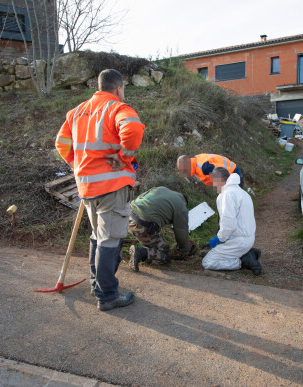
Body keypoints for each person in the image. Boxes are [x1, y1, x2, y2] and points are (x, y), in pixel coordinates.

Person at [55, 69, 145, 311]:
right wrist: (123, 156)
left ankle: (98, 286)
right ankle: (107, 295)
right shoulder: (117, 108)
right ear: (119, 88)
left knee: (98, 236)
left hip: (87, 187)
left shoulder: (76, 112)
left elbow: (61, 143)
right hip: (111, 185)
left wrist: (77, 165)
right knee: (110, 239)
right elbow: (134, 130)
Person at [203, 167, 261, 275]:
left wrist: (219, 239)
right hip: (248, 238)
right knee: (215, 253)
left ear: (219, 179)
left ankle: (242, 261)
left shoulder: (227, 194)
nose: (213, 185)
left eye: (214, 181)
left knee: (208, 262)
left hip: (238, 241)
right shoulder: (242, 192)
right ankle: (248, 253)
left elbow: (228, 223)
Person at [128, 187, 197, 271]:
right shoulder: (181, 206)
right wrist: (185, 249)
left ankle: (142, 250)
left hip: (126, 216)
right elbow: (181, 231)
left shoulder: (161, 189)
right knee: (165, 256)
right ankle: (141, 252)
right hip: (141, 226)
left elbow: (140, 198)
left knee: (157, 240)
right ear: (185, 202)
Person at [177, 154, 244, 188]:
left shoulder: (204, 167)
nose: (184, 174)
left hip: (234, 176)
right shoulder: (194, 161)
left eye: (184, 171)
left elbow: (225, 170)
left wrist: (227, 187)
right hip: (231, 177)